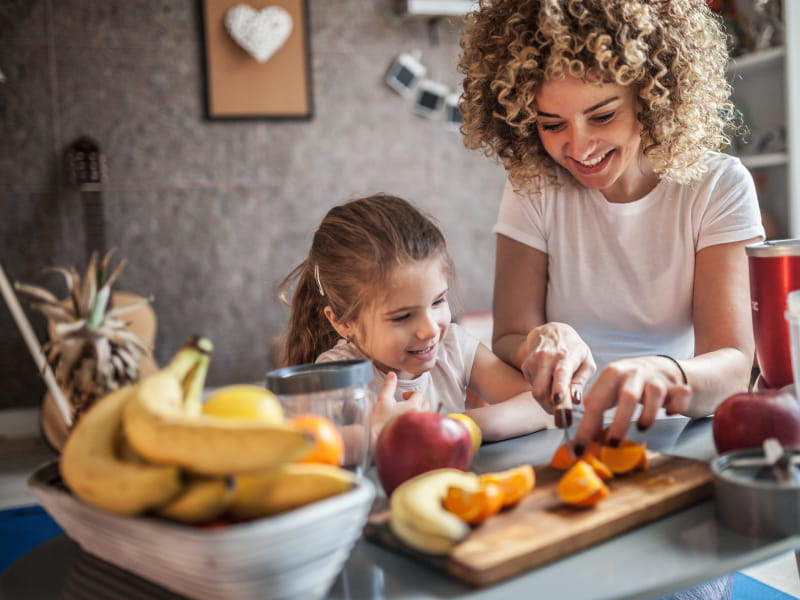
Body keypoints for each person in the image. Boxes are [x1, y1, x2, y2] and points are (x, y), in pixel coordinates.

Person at [457, 0, 765, 453]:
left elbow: (734, 366)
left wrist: (663, 372)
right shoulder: (535, 184)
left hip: (677, 432)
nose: (579, 147)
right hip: (558, 433)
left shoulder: (718, 186)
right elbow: (508, 337)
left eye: (602, 116)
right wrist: (538, 343)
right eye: (552, 124)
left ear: (651, 97)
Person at [279, 193, 554, 447]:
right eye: (403, 317)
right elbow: (302, 445)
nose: (429, 330)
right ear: (342, 322)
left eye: (438, 302)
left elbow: (542, 406)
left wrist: (451, 427)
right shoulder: (337, 374)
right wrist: (378, 433)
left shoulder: (454, 348)